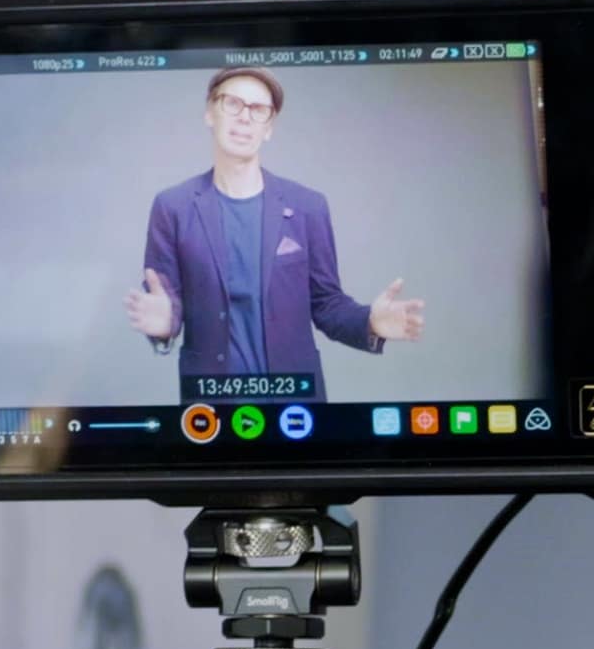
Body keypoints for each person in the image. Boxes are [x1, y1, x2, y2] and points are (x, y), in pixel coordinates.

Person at [125, 65, 425, 399]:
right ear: (210, 112)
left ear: (269, 128)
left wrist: (370, 322)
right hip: (212, 404)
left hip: (295, 405)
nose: (245, 118)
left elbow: (327, 303)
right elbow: (166, 302)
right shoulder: (173, 206)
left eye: (259, 110)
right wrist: (165, 326)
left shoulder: (308, 206)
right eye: (232, 104)